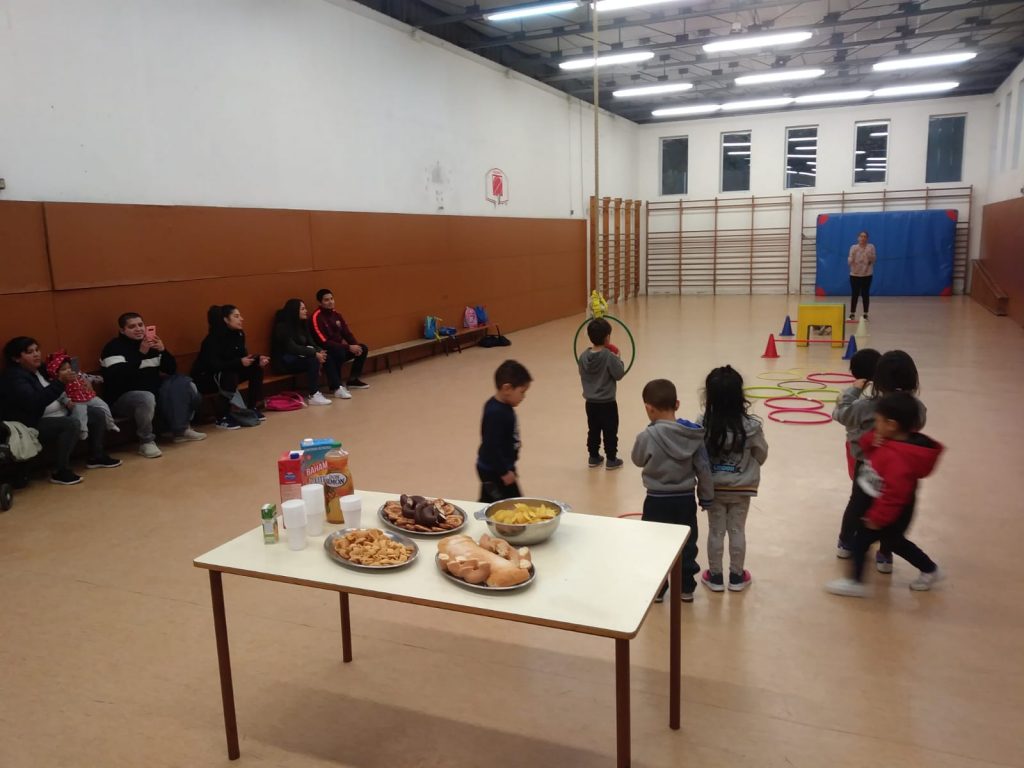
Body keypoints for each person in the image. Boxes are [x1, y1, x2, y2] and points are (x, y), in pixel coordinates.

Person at [826, 392, 943, 597]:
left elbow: (895, 495)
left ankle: (856, 582)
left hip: (890, 512)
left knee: (880, 542)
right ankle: (929, 569)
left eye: (877, 421)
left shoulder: (900, 459)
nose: (875, 425)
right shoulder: (888, 439)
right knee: (886, 542)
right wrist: (872, 439)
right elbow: (864, 448)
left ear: (891, 425)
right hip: (878, 503)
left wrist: (877, 519)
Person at [834, 349, 927, 573]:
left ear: (878, 380)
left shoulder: (866, 406)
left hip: (867, 466)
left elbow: (841, 414)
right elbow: (920, 424)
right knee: (894, 511)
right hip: (901, 471)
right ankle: (885, 554)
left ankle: (846, 542)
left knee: (857, 504)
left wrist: (854, 390)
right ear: (912, 379)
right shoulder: (916, 408)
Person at [631, 378, 714, 603]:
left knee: (655, 544)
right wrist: (706, 497)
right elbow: (703, 468)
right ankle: (685, 587)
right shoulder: (692, 436)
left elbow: (637, 460)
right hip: (685, 500)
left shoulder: (646, 436)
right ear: (677, 404)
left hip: (656, 500)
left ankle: (658, 590)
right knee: (686, 544)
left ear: (648, 408)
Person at [1, 336, 120, 485]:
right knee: (71, 424)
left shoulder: (42, 369)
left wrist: (82, 381)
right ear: (16, 358)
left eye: (37, 350)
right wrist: (59, 383)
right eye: (30, 352)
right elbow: (35, 402)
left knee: (96, 413)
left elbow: (68, 373)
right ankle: (61, 471)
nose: (36, 354)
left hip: (61, 411)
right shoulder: (14, 378)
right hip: (34, 422)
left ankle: (97, 456)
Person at [696, 366, 768, 593]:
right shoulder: (752, 426)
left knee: (715, 531)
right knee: (737, 530)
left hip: (714, 489)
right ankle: (737, 577)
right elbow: (761, 454)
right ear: (740, 396)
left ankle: (715, 576)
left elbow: (698, 455)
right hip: (742, 487)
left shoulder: (703, 423)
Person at [100, 312, 206, 458]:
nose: (138, 329)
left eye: (140, 325)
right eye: (132, 326)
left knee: (183, 383)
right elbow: (118, 376)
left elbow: (171, 369)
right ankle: (146, 442)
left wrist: (163, 350)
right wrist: (141, 353)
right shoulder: (113, 348)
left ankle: (181, 430)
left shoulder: (151, 344)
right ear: (122, 330)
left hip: (154, 390)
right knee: (146, 397)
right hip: (123, 397)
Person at [192, 305, 269, 429]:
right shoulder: (211, 340)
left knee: (256, 369)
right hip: (207, 378)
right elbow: (215, 365)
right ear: (226, 320)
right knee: (229, 375)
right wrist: (239, 362)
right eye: (236, 316)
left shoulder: (239, 334)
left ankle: (252, 407)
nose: (241, 319)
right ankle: (222, 417)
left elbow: (242, 357)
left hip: (229, 373)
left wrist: (257, 360)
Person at [476, 360, 532, 503]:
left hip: (502, 467)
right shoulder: (496, 413)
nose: (523, 397)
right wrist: (504, 472)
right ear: (507, 388)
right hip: (494, 471)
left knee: (493, 501)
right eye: (522, 392)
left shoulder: (504, 407)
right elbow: (491, 446)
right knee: (511, 505)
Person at [578, 317, 625, 470]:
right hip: (607, 402)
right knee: (610, 430)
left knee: (593, 429)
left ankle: (593, 456)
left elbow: (582, 373)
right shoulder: (609, 356)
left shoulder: (583, 357)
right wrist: (618, 359)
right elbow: (619, 374)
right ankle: (611, 459)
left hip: (590, 403)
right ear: (607, 337)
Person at [310, 288, 370, 399]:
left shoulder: (337, 315)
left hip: (340, 348)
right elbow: (324, 342)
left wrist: (355, 346)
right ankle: (336, 386)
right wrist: (348, 347)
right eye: (326, 300)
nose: (330, 302)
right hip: (326, 350)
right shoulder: (316, 317)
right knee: (337, 353)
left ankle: (353, 380)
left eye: (332, 299)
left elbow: (346, 333)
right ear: (320, 302)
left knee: (363, 348)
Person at [44, 351, 119, 440]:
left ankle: (110, 423)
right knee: (80, 413)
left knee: (103, 405)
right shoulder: (58, 382)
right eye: (64, 369)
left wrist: (98, 379)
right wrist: (67, 401)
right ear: (56, 373)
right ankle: (82, 430)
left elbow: (87, 377)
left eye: (69, 368)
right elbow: (61, 395)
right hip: (76, 400)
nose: (68, 370)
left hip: (88, 396)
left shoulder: (77, 374)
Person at [833, 348, 882, 480]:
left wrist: (852, 392)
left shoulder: (854, 394)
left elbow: (841, 414)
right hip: (880, 444)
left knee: (858, 479)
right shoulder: (884, 391)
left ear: (853, 372)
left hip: (857, 446)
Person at [271, 298, 331, 406]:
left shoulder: (302, 324)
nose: (306, 311)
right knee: (313, 361)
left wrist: (320, 351)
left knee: (327, 355)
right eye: (302, 309)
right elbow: (292, 348)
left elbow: (311, 342)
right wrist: (314, 353)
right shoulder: (282, 327)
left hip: (300, 357)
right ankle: (313, 394)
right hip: (286, 362)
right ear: (294, 311)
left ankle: (336, 386)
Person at [848, 230, 876, 321]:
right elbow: (850, 259)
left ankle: (865, 314)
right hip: (855, 274)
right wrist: (850, 259)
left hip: (867, 274)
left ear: (867, 238)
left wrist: (870, 256)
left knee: (865, 294)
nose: (863, 238)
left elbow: (873, 260)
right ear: (858, 238)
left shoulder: (871, 247)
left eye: (865, 237)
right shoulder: (853, 247)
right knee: (855, 294)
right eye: (861, 236)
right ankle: (852, 314)